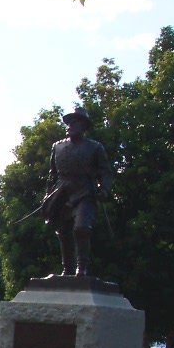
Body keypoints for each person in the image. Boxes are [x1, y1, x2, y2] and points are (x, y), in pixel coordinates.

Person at [42, 106, 113, 277]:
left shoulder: (95, 147)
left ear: (83, 125)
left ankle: (82, 267)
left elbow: (105, 171)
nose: (70, 125)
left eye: (75, 121)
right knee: (63, 231)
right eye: (69, 122)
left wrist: (104, 188)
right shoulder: (57, 147)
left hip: (84, 192)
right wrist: (48, 195)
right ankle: (67, 269)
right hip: (62, 192)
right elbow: (52, 174)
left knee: (81, 227)